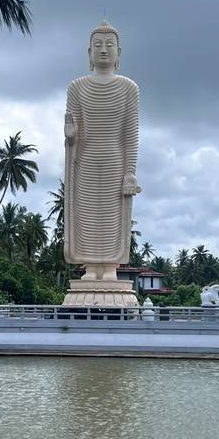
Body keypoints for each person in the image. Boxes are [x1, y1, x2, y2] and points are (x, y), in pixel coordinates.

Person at [64, 20, 140, 282]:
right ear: (89, 53)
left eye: (110, 45)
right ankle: (90, 266)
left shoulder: (129, 88)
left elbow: (130, 136)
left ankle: (109, 265)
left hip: (115, 161)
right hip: (85, 159)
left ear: (119, 52)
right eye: (97, 45)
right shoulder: (76, 87)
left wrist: (130, 172)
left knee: (111, 216)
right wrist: (70, 136)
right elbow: (74, 128)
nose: (104, 50)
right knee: (86, 214)